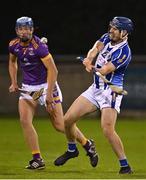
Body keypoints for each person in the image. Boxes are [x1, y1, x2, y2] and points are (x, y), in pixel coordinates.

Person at [8, 16, 98, 170]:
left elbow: (53, 70)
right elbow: (12, 62)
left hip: (46, 86)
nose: (24, 31)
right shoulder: (13, 45)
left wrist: (49, 95)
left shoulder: (39, 47)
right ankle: (37, 159)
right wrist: (14, 82)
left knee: (59, 125)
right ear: (17, 30)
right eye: (21, 28)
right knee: (25, 121)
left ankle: (87, 144)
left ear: (32, 30)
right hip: (28, 88)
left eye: (27, 28)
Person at [54, 16, 133, 174]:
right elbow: (95, 49)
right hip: (95, 88)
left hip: (110, 92)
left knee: (107, 129)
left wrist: (94, 69)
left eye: (115, 28)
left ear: (124, 33)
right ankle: (72, 150)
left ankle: (125, 165)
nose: (111, 30)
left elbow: (106, 69)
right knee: (67, 120)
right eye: (111, 27)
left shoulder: (125, 52)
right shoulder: (107, 37)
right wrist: (89, 59)